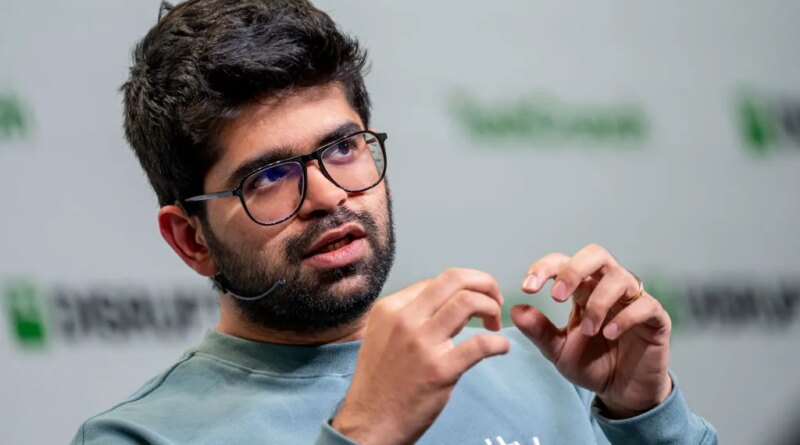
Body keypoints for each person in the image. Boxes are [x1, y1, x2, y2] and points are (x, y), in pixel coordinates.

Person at [72, 1, 718, 444]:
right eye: (268, 176)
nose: (327, 194)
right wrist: (364, 431)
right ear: (191, 239)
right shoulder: (143, 435)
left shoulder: (546, 369)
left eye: (343, 148)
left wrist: (644, 413)